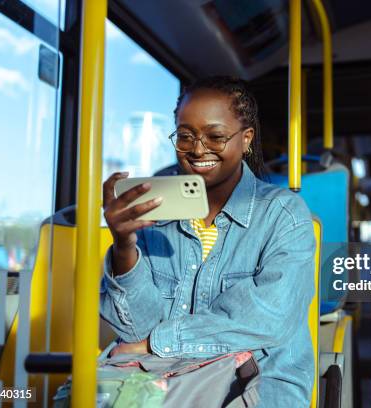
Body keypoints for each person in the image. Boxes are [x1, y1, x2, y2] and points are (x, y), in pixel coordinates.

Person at [100, 76, 316, 407]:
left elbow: (268, 319)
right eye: (185, 137)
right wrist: (125, 246)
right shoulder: (155, 217)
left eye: (215, 136)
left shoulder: (283, 215)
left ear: (246, 139)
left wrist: (154, 344)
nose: (198, 150)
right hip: (165, 385)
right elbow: (134, 330)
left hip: (255, 389)